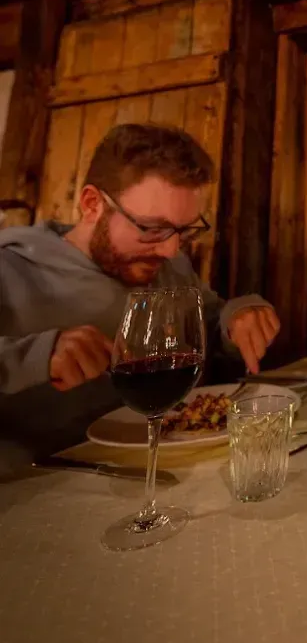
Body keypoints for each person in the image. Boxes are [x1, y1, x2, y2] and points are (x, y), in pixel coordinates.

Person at [0, 123, 280, 455]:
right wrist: (32, 358)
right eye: (152, 228)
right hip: (37, 489)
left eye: (184, 230)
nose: (170, 250)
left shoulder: (167, 266)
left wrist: (239, 314)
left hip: (166, 468)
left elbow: (211, 321)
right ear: (92, 205)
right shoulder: (10, 269)